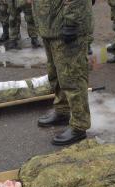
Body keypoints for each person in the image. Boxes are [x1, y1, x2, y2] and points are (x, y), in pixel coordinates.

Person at [33, 0, 93, 145]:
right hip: (50, 26)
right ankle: (62, 110)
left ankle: (79, 125)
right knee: (56, 74)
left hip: (66, 26)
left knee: (72, 77)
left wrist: (72, 22)